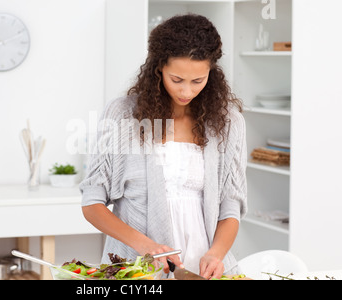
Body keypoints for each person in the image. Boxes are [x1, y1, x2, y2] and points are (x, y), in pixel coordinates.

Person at [80, 14, 247, 279]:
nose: (187, 91)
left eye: (198, 81)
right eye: (177, 79)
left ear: (211, 73)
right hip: (140, 265)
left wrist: (216, 253)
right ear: (158, 69)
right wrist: (145, 245)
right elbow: (92, 203)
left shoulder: (228, 122)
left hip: (202, 267)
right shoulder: (123, 115)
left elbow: (230, 205)